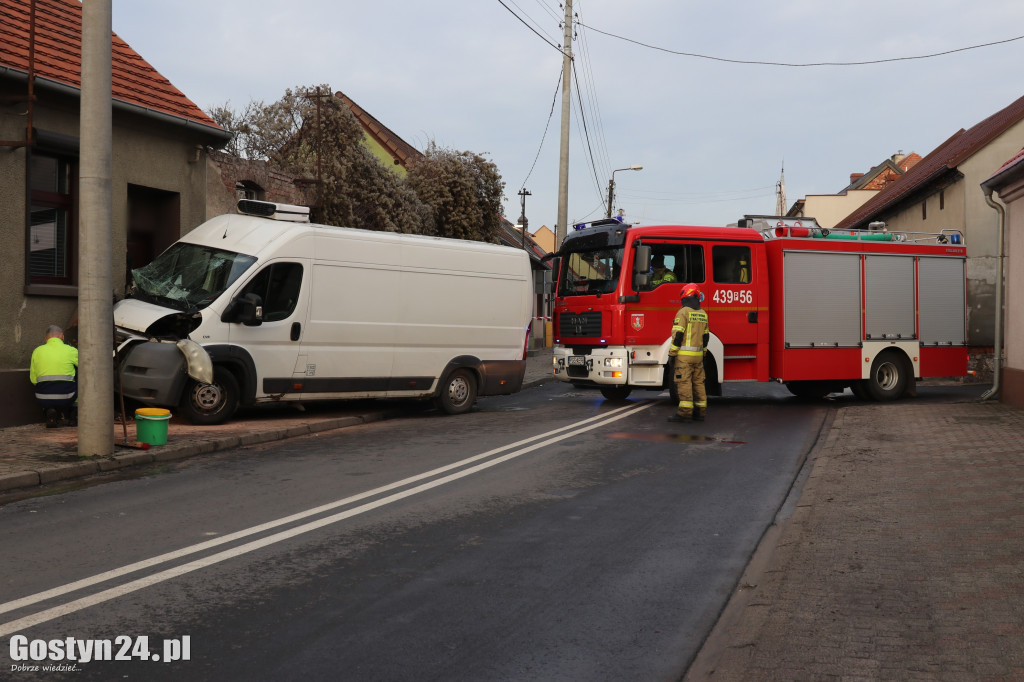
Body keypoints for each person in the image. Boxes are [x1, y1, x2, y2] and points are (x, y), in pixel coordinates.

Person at [667, 283, 709, 423]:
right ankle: (700, 412)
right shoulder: (703, 314)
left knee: (684, 383)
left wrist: (672, 354)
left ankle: (685, 413)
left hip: (684, 357)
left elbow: (678, 335)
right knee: (698, 383)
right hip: (698, 357)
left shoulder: (683, 312)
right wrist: (703, 353)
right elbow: (706, 337)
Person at [29, 325, 79, 428]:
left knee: (48, 392)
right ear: (62, 337)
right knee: (80, 382)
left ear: (46, 338)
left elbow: (33, 379)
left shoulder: (37, 351)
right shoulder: (71, 350)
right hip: (67, 396)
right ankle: (73, 418)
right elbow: (87, 369)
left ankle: (49, 411)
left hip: (42, 396)